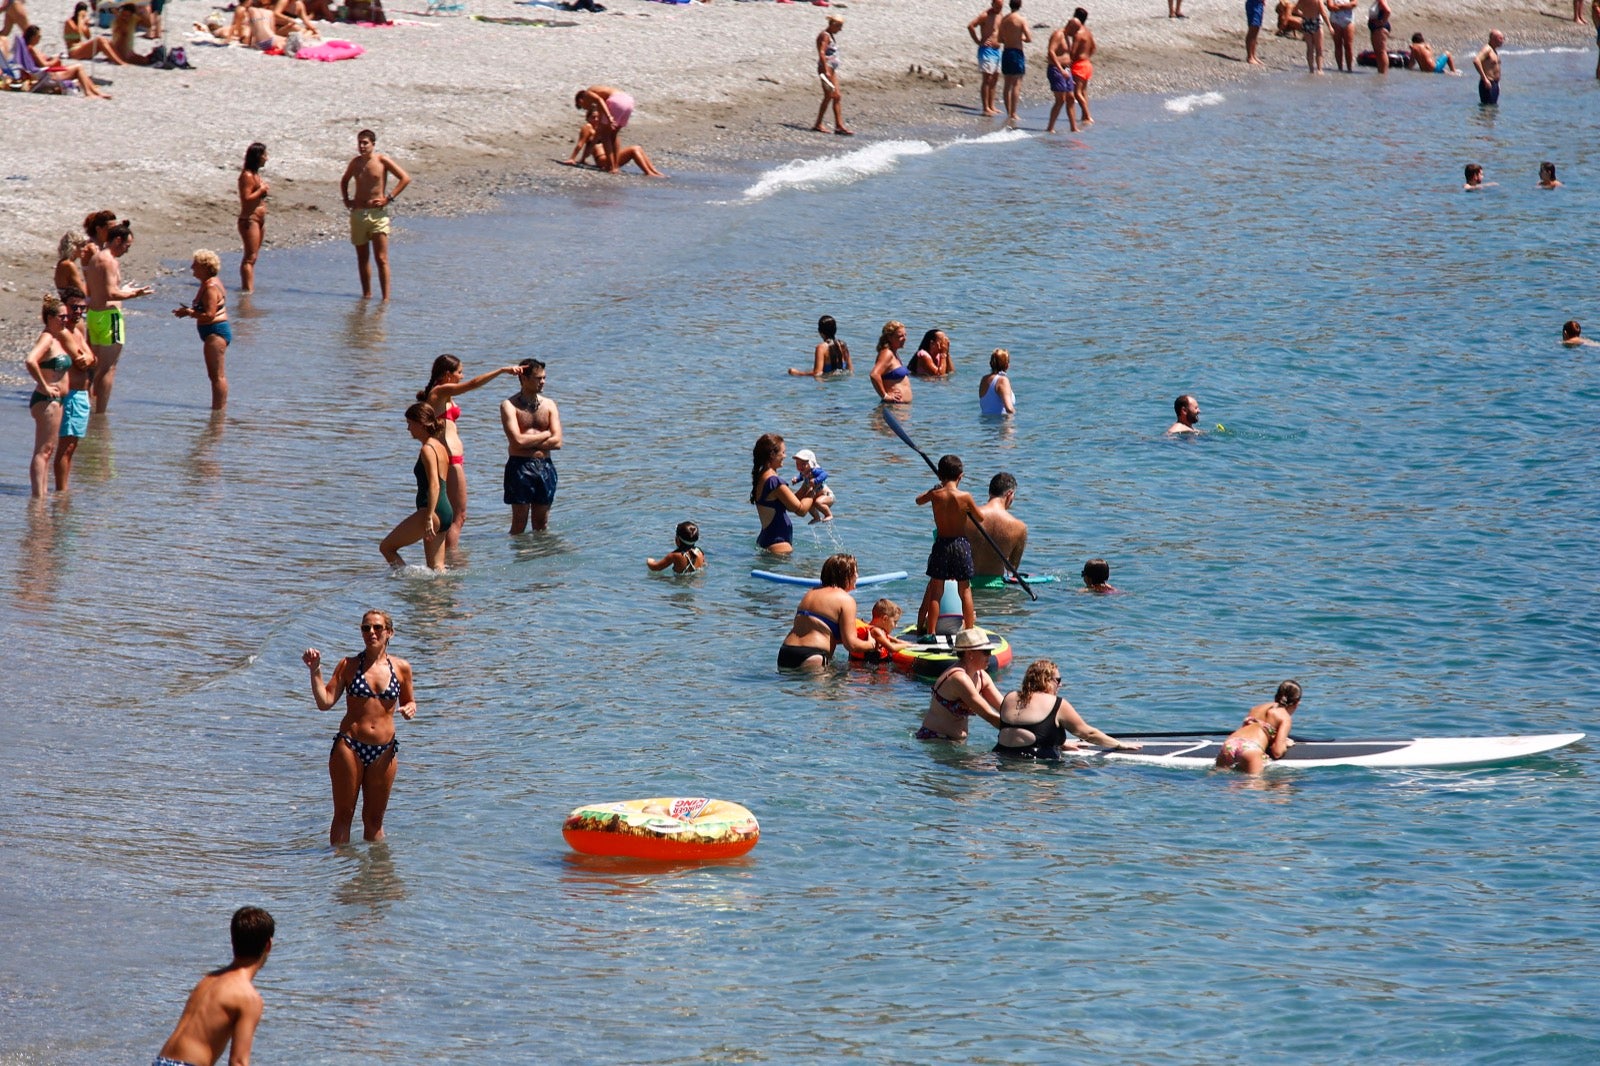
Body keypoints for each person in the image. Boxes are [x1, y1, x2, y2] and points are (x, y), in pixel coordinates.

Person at [304, 609, 417, 843]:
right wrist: (315, 671)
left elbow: (408, 700)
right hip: (350, 745)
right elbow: (325, 702)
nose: (371, 632)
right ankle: (340, 873)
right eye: (366, 628)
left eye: (377, 628)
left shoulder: (402, 668)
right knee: (343, 815)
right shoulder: (348, 665)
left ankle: (376, 876)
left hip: (384, 750)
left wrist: (410, 708)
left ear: (390, 633)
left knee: (375, 820)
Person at [417, 355, 521, 550]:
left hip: (448, 458)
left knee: (450, 514)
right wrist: (501, 371)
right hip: (449, 459)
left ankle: (444, 557)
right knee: (459, 516)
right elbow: (473, 384)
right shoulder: (440, 391)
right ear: (447, 374)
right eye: (459, 372)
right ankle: (452, 559)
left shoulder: (441, 393)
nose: (462, 376)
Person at [151, 907, 274, 1066]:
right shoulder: (249, 998)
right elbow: (238, 1062)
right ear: (268, 945)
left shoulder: (208, 980)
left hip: (161, 1061)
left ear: (232, 940)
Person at [994, 659, 1138, 757]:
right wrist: (1119, 744)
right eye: (1058, 680)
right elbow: (1088, 734)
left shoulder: (1010, 697)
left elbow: (1024, 733)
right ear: (1046, 680)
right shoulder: (1056, 703)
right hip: (1036, 767)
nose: (1060, 685)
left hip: (1001, 758)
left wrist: (1060, 743)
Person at [85, 222, 152, 414]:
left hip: (94, 315)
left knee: (94, 365)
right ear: (117, 240)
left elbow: (97, 290)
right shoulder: (110, 261)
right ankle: (100, 414)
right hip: (109, 317)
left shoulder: (95, 257)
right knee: (108, 368)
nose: (127, 251)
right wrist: (134, 294)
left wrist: (123, 290)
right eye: (127, 246)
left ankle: (88, 405)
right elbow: (111, 293)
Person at [916, 453, 984, 634]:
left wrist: (934, 489)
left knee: (936, 591)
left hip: (941, 544)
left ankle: (930, 633)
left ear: (939, 475)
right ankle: (969, 630)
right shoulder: (965, 496)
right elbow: (980, 517)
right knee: (965, 590)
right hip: (961, 544)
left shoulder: (935, 494)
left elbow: (918, 500)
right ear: (960, 476)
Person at [340, 128, 411, 301]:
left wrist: (389, 198)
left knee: (381, 258)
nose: (362, 146)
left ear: (373, 144)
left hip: (378, 214)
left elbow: (405, 178)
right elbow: (344, 180)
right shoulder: (355, 163)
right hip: (358, 214)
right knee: (362, 258)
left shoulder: (382, 160)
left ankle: (385, 299)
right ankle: (367, 296)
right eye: (360, 143)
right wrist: (346, 200)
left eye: (365, 143)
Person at [380, 404, 452, 571]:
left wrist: (428, 517)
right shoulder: (440, 447)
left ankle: (406, 585)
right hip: (446, 511)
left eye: (410, 423)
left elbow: (434, 484)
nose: (408, 429)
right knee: (437, 569)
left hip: (431, 511)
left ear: (421, 423)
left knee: (386, 548)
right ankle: (439, 596)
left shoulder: (427, 449)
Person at [776, 552, 876, 669]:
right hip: (813, 656)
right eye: (855, 572)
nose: (857, 576)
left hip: (786, 652)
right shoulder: (846, 599)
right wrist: (870, 644)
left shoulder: (811, 593)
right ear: (845, 576)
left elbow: (820, 630)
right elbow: (851, 644)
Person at [500, 359, 562, 533]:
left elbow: (557, 442)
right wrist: (546, 434)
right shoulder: (509, 405)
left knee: (541, 525)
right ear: (523, 378)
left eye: (544, 378)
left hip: (545, 466)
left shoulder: (549, 405)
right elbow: (516, 442)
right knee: (519, 524)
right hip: (519, 466)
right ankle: (519, 559)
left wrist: (527, 440)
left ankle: (540, 559)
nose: (543, 382)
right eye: (538, 378)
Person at [24, 295, 75, 497]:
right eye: (62, 316)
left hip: (56, 401)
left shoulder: (57, 338)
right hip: (47, 401)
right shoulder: (46, 337)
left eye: (67, 316)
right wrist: (44, 386)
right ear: (50, 317)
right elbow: (30, 360)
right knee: (43, 450)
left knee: (48, 450)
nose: (66, 320)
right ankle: (38, 499)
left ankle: (42, 496)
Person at [915, 627, 1003, 741]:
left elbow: (1004, 708)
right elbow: (988, 715)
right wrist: (1020, 730)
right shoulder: (958, 678)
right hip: (935, 740)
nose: (990, 656)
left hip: (956, 743)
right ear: (970, 653)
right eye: (986, 652)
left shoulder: (981, 676)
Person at [170, 250, 231, 409]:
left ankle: (218, 413)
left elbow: (209, 315)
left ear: (205, 267)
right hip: (211, 331)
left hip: (215, 331)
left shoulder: (210, 287)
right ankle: (218, 409)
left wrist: (189, 312)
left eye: (195, 265)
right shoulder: (209, 282)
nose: (192, 267)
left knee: (216, 375)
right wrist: (190, 311)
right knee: (215, 375)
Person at [571, 86, 665, 177]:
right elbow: (582, 144)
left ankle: (653, 171)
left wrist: (583, 159)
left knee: (634, 146)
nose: (595, 118)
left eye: (583, 107)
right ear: (588, 118)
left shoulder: (590, 96)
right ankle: (646, 171)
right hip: (602, 160)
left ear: (581, 100)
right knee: (632, 148)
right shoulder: (588, 127)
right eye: (593, 117)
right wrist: (574, 158)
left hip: (619, 102)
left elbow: (600, 102)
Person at [54, 290, 95, 492]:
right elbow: (81, 362)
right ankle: (61, 491)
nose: (78, 311)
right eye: (73, 307)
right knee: (65, 447)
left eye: (82, 307)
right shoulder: (62, 332)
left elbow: (91, 358)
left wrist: (89, 358)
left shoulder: (77, 331)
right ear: (64, 307)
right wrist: (88, 358)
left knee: (72, 447)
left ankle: (64, 489)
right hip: (70, 395)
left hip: (81, 395)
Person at [1215, 680, 1301, 772]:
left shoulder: (1256, 708)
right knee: (1256, 783)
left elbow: (1253, 730)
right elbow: (1277, 752)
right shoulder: (1284, 717)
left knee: (1218, 781)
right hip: (1251, 748)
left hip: (1231, 743)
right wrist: (1283, 744)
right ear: (1297, 703)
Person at [750, 432, 815, 553]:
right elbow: (800, 510)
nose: (785, 456)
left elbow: (790, 504)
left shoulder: (762, 477)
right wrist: (813, 492)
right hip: (778, 544)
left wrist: (806, 484)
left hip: (766, 540)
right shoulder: (774, 482)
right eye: (783, 452)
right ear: (772, 454)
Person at [967, 472, 1027, 588]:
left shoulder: (968, 516)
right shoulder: (1019, 527)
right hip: (995, 587)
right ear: (1010, 494)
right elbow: (1011, 568)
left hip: (965, 585)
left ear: (990, 492)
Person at [16, 25, 112, 97]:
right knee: (78, 68)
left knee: (78, 68)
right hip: (48, 76)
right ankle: (89, 92)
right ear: (33, 37)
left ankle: (94, 91)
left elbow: (40, 63)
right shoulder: (31, 49)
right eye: (39, 36)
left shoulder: (28, 49)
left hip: (46, 75)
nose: (40, 38)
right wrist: (56, 59)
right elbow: (45, 65)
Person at [813, 15, 853, 135]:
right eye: (839, 26)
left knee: (837, 96)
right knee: (829, 96)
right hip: (826, 69)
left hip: (832, 69)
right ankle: (818, 124)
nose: (840, 29)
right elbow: (821, 52)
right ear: (833, 25)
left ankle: (839, 125)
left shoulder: (830, 36)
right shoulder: (824, 35)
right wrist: (825, 71)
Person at [238, 143, 269, 294]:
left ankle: (249, 288)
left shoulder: (256, 174)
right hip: (249, 220)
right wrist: (261, 190)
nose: (266, 158)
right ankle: (247, 292)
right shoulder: (247, 176)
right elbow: (246, 198)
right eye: (264, 155)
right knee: (249, 258)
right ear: (257, 157)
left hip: (259, 220)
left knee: (254, 256)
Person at [967, 0, 1005, 116]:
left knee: (995, 78)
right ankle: (985, 107)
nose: (999, 8)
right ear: (992, 4)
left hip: (997, 50)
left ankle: (991, 105)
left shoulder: (1000, 15)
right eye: (997, 6)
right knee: (987, 78)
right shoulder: (985, 15)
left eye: (1001, 6)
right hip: (987, 50)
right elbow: (971, 26)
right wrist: (978, 41)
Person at [997, 0, 1031, 123]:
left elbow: (1000, 38)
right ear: (1020, 5)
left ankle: (1008, 112)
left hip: (1006, 52)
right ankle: (1014, 113)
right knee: (1016, 83)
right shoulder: (1021, 20)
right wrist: (1019, 37)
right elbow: (1028, 38)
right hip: (1017, 52)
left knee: (1007, 83)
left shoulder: (1004, 19)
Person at [62, 3, 127, 64]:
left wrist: (86, 26)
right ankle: (118, 61)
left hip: (81, 48)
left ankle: (119, 57)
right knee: (99, 40)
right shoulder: (69, 22)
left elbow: (88, 37)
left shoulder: (81, 22)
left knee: (104, 40)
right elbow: (77, 31)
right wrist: (81, 20)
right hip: (73, 52)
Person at [869, 320, 912, 404]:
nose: (904, 339)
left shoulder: (894, 353)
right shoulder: (887, 353)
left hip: (900, 408)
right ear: (889, 337)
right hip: (892, 407)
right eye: (900, 336)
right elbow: (874, 374)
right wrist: (885, 396)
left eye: (905, 335)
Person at [1046, 19, 1077, 133]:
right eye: (1075, 30)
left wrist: (1069, 74)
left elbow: (1066, 55)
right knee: (1060, 100)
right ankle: (1050, 128)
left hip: (1066, 70)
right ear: (1070, 26)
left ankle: (1073, 128)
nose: (1076, 33)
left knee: (1071, 98)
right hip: (1056, 69)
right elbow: (1051, 52)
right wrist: (1060, 69)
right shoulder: (1058, 34)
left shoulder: (1067, 37)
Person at [791, 447, 835, 522]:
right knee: (809, 505)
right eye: (797, 464)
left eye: (803, 464)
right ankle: (816, 517)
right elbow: (801, 477)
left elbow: (825, 474)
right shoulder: (804, 472)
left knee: (818, 502)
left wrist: (816, 480)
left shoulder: (815, 471)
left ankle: (828, 515)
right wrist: (796, 480)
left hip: (827, 495)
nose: (800, 467)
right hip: (816, 495)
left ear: (811, 463)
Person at [1067, 8, 1095, 124]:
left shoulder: (1078, 33)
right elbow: (1093, 47)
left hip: (1079, 65)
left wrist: (1067, 59)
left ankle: (1087, 116)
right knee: (1083, 91)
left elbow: (1073, 52)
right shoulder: (1088, 32)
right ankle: (1084, 115)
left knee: (1077, 92)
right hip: (1087, 64)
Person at [863, 598, 912, 662]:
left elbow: (887, 637)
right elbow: (892, 648)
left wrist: (898, 641)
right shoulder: (876, 631)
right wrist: (907, 645)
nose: (896, 626)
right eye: (895, 622)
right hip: (870, 669)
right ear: (885, 619)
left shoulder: (872, 628)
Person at [977, 348, 1015, 415]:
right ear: (1007, 365)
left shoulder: (984, 379)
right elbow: (1009, 409)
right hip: (1000, 424)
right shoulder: (1003, 380)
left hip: (985, 423)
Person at [1293, 0, 1327, 72]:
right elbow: (1323, 13)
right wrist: (1330, 26)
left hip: (1306, 22)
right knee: (1319, 48)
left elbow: (1295, 10)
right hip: (1316, 22)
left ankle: (1311, 69)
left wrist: (1303, 14)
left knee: (1310, 47)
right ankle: (1319, 69)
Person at [1473, 29, 1504, 105]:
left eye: (1503, 38)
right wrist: (1485, 79)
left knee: (1492, 110)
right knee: (1487, 111)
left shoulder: (1494, 51)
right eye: (1500, 38)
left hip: (1494, 84)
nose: (1502, 41)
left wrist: (1497, 84)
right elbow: (1476, 60)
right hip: (1487, 84)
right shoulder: (1487, 49)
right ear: (1493, 38)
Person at [54, 232, 90, 299]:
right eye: (82, 246)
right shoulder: (69, 265)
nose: (86, 249)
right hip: (73, 305)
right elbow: (83, 293)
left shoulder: (62, 263)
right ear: (73, 246)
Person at [1326, 0, 1356, 70]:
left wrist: (1340, 6)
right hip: (1335, 20)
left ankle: (1349, 68)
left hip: (1348, 20)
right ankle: (1340, 68)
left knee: (1348, 45)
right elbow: (1330, 7)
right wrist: (1347, 6)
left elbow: (1354, 4)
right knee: (1338, 44)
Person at [1245, 0, 1267, 64]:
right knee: (1253, 28)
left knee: (1256, 29)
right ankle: (1250, 57)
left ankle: (1253, 55)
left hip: (1259, 4)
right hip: (1253, 4)